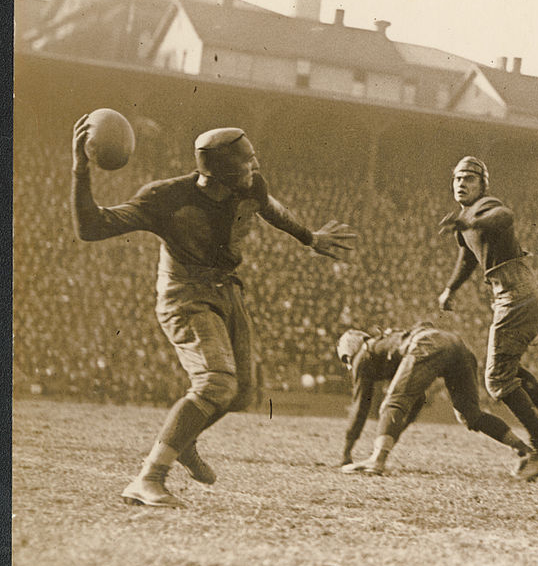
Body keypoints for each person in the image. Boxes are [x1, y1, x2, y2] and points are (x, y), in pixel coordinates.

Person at [71, 120, 356, 507]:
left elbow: (270, 208)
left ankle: (182, 438)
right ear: (221, 172)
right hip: (184, 293)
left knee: (242, 395)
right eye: (246, 163)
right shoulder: (166, 197)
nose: (254, 168)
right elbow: (91, 227)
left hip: (225, 290)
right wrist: (80, 168)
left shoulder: (250, 186)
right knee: (216, 383)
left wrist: (310, 237)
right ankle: (148, 477)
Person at [437, 156, 538, 482]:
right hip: (513, 292)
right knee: (506, 370)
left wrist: (471, 224)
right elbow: (468, 257)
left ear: (483, 184)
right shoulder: (465, 220)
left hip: (516, 290)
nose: (461, 183)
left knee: (496, 380)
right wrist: (450, 289)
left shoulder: (485, 207)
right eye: (457, 178)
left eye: (469, 178)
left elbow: (504, 216)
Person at [337, 322, 531, 475]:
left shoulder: (363, 355)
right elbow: (417, 400)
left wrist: (346, 452)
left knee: (392, 401)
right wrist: (393, 433)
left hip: (427, 343)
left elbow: (361, 406)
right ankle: (522, 448)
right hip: (456, 345)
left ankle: (376, 461)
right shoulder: (385, 346)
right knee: (469, 414)